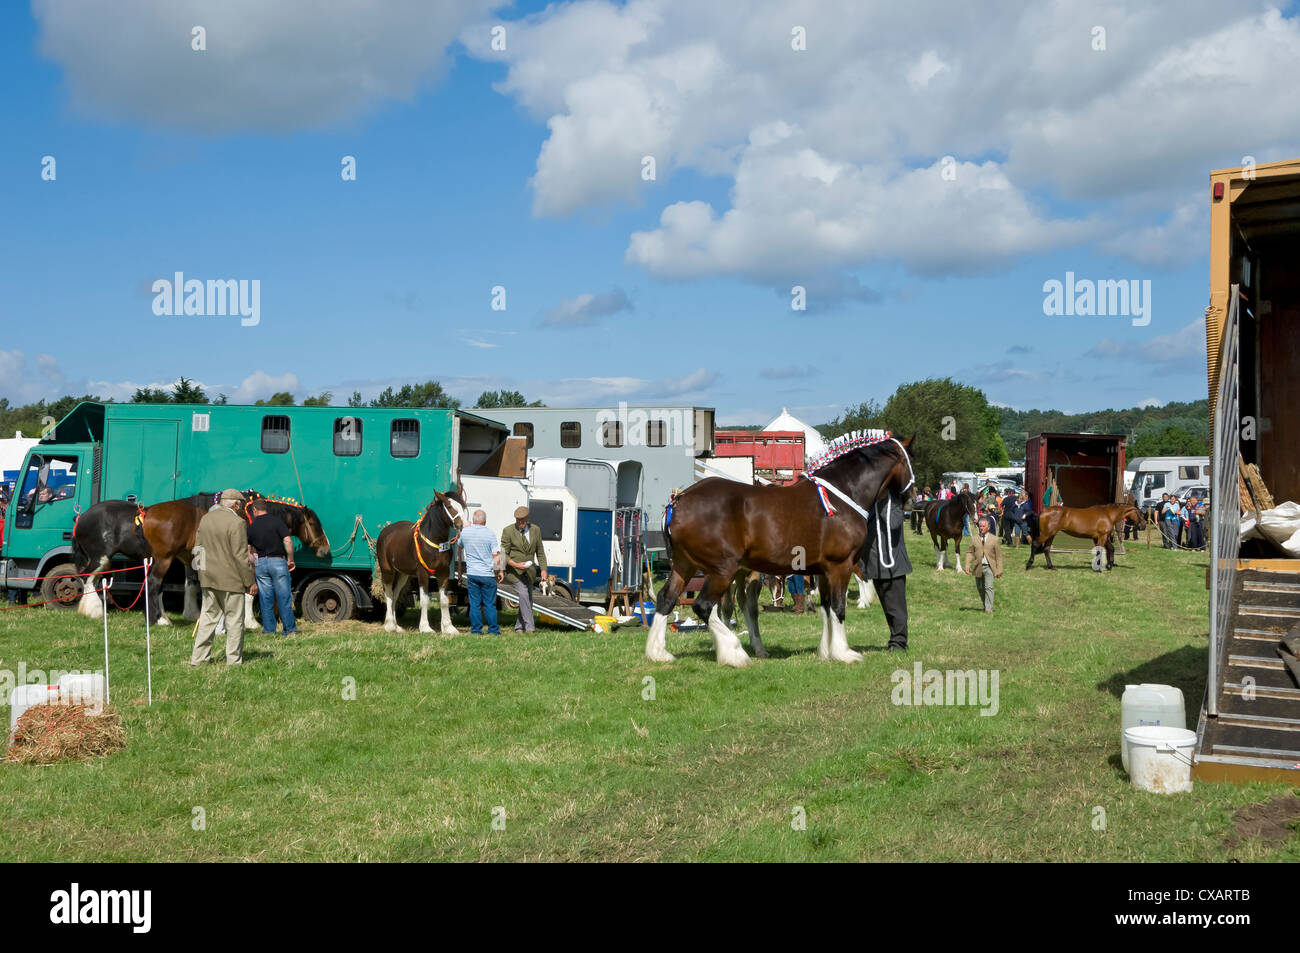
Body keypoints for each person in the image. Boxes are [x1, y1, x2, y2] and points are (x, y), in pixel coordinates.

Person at [191, 489, 256, 666]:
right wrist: (250, 581)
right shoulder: (237, 523)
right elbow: (240, 556)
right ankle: (233, 660)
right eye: (240, 504)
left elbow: (197, 548)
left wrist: (201, 573)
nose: (241, 507)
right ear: (235, 504)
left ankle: (199, 659)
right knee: (234, 622)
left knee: (207, 619)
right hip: (231, 581)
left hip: (208, 579)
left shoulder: (206, 519)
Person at [861, 477, 913, 651]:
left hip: (893, 565)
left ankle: (899, 643)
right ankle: (895, 640)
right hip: (877, 564)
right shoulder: (872, 504)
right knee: (888, 608)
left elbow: (893, 522)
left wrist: (882, 501)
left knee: (896, 608)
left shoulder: (892, 500)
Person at [246, 498, 297, 637]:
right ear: (266, 508)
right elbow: (287, 540)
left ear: (255, 510)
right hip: (278, 562)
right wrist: (290, 559)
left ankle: (269, 630)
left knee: (265, 598)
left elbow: (248, 550)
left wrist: (253, 562)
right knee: (284, 597)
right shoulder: (277, 522)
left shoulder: (251, 527)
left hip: (261, 563)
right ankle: (289, 630)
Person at [501, 505, 550, 633]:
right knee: (523, 595)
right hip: (513, 571)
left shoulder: (536, 530)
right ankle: (530, 628)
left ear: (528, 518)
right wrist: (515, 565)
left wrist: (544, 569)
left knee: (528, 599)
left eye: (522, 520)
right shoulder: (508, 531)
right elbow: (503, 554)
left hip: (529, 572)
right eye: (517, 520)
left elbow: (540, 552)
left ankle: (519, 628)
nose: (520, 523)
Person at [460, 509, 504, 634]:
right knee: (490, 604)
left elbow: (459, 544)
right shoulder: (490, 534)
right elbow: (496, 554)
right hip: (487, 575)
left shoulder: (466, 532)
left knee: (475, 604)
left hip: (472, 574)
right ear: (485, 521)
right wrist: (500, 571)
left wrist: (465, 527)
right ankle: (493, 630)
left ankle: (476, 630)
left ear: (473, 520)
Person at [965, 515, 1003, 613]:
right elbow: (969, 552)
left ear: (988, 528)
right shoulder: (974, 539)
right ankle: (985, 604)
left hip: (989, 567)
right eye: (980, 526)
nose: (981, 528)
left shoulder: (994, 539)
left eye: (983, 526)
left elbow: (998, 556)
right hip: (978, 567)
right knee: (980, 588)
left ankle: (988, 609)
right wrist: (967, 565)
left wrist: (999, 570)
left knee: (988, 587)